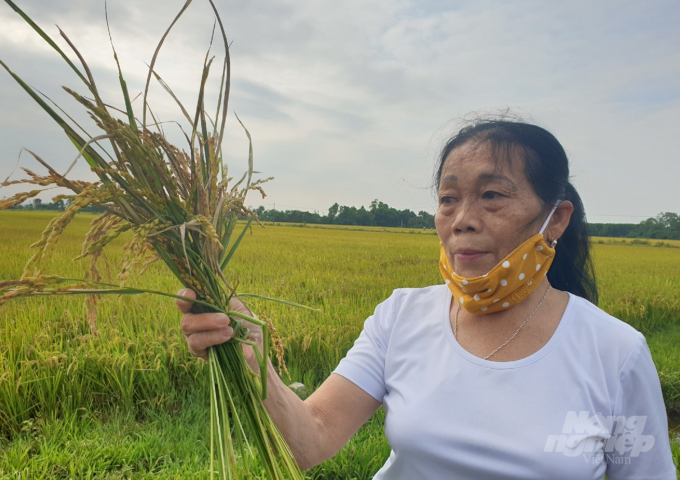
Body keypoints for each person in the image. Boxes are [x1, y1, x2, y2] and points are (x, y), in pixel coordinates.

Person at [176, 119, 677, 479]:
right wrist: (251, 355)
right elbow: (313, 438)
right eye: (448, 198)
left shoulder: (615, 351)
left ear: (557, 219)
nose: (462, 219)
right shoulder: (402, 316)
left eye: (492, 196)